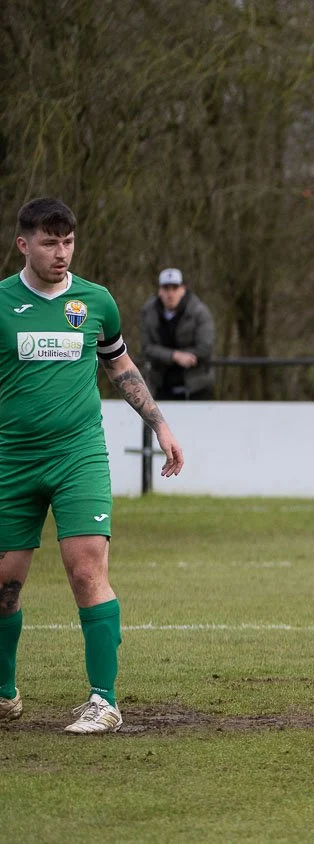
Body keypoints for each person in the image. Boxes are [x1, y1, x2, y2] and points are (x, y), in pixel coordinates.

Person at [0, 198, 185, 734]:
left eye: (69, 242)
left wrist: (160, 425)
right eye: (49, 243)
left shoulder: (95, 302)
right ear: (23, 245)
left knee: (86, 570)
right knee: (5, 587)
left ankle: (103, 700)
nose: (61, 254)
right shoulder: (2, 303)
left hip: (78, 455)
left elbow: (119, 364)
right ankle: (5, 694)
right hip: (11, 459)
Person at [141, 267, 215, 401]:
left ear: (183, 289)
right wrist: (175, 356)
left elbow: (205, 347)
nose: (170, 294)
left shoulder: (200, 312)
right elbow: (147, 347)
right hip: (160, 385)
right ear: (159, 291)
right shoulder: (149, 312)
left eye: (174, 288)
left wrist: (189, 357)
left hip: (197, 387)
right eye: (166, 288)